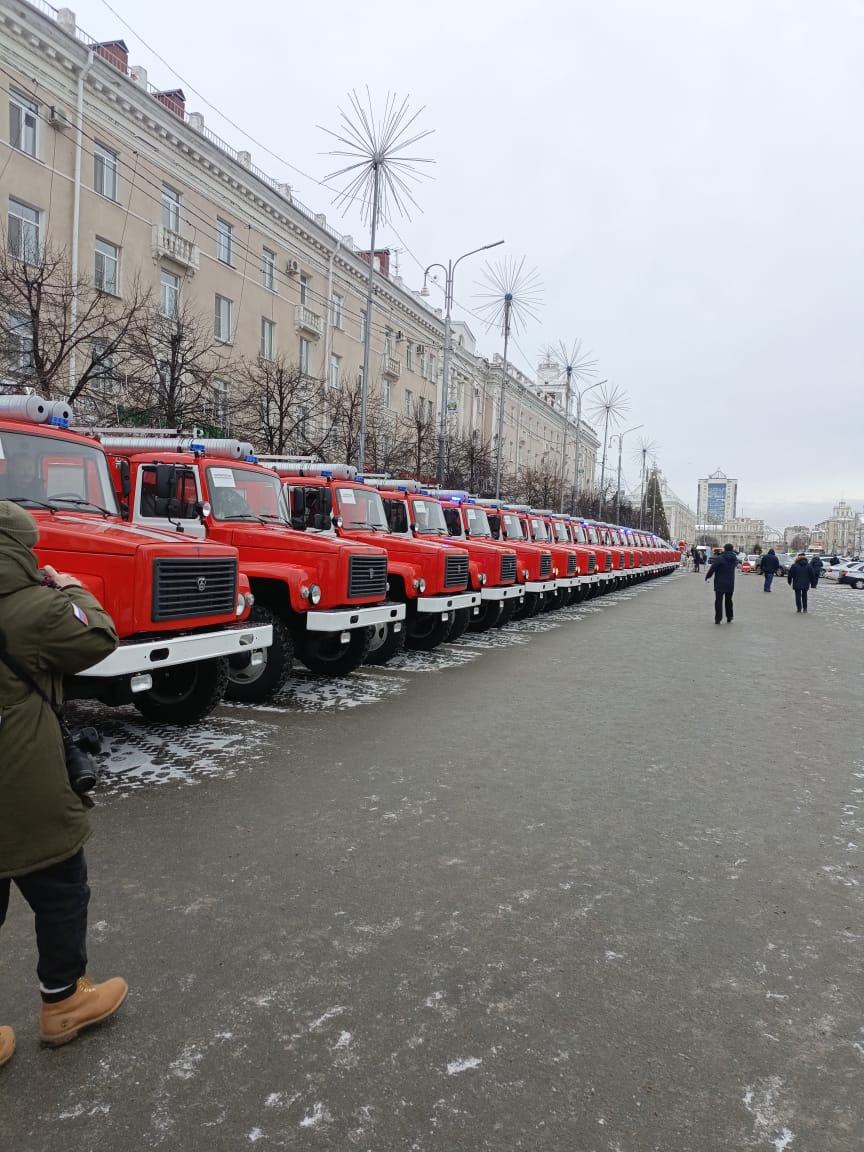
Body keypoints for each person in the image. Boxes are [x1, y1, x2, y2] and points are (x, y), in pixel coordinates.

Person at [0, 501, 126, 1066]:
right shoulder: (34, 608)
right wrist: (69, 587)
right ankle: (64, 1001)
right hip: (19, 776)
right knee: (59, 884)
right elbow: (98, 637)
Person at [705, 542, 739, 624]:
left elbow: (712, 568)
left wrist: (708, 576)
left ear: (724, 549)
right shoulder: (734, 559)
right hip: (730, 583)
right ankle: (729, 617)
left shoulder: (719, 558)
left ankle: (718, 618)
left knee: (718, 601)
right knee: (729, 600)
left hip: (719, 582)